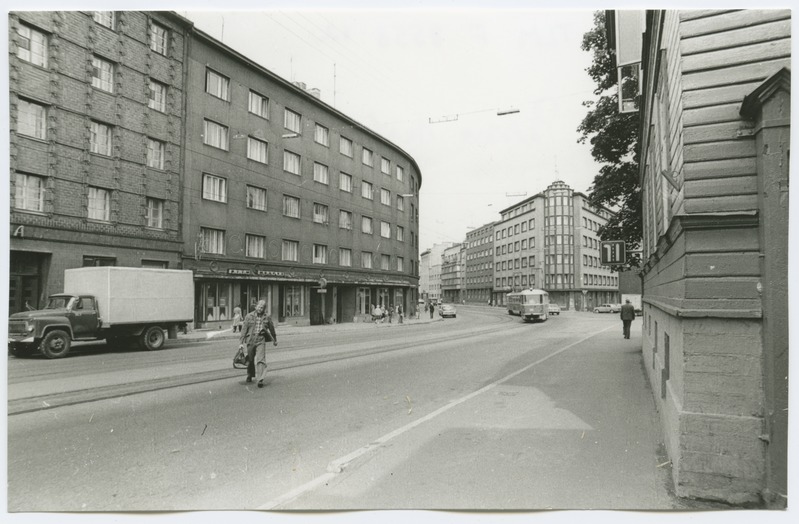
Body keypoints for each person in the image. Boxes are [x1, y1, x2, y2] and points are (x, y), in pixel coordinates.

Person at [239, 299, 277, 388]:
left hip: (261, 339)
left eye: (262, 307)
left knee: (261, 359)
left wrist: (274, 339)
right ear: (256, 307)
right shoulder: (249, 316)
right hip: (250, 339)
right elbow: (244, 330)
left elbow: (272, 329)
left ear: (264, 309)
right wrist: (241, 343)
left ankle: (260, 379)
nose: (260, 309)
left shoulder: (267, 317)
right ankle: (250, 374)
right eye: (259, 307)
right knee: (250, 359)